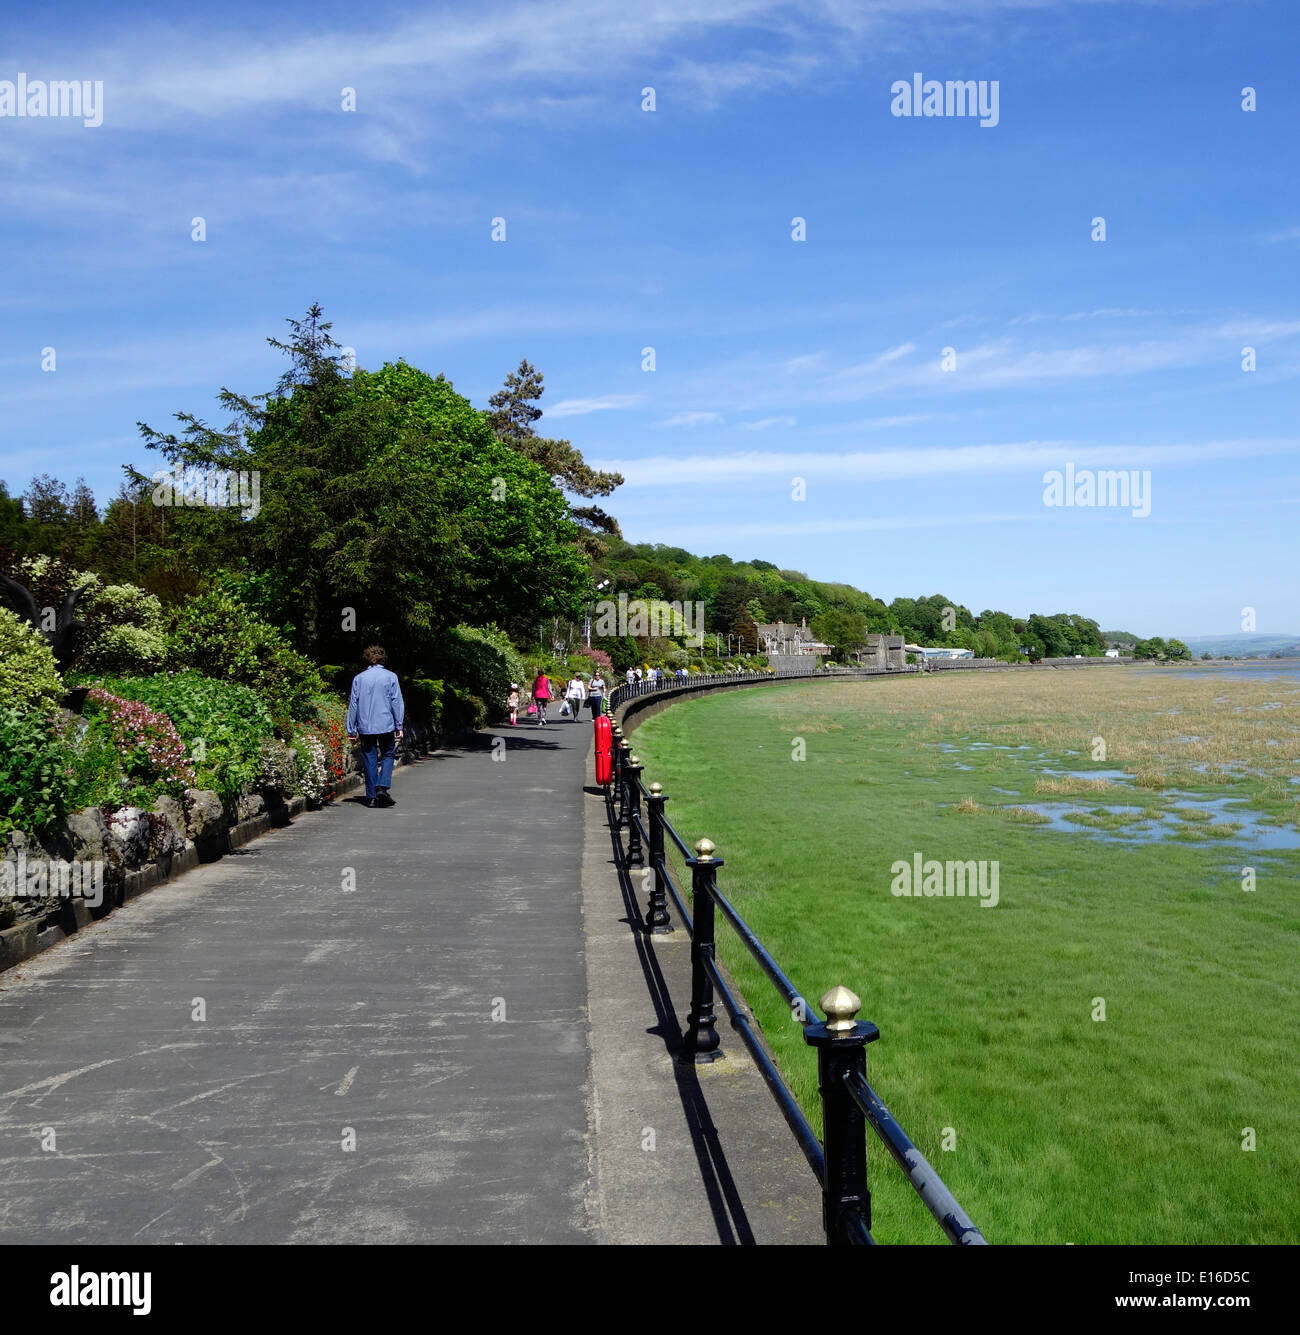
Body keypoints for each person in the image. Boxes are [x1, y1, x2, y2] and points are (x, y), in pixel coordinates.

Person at [345, 645, 404, 808]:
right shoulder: (391, 677)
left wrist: (351, 728)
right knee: (388, 754)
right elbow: (396, 701)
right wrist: (399, 724)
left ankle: (371, 796)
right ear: (383, 658)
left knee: (369, 758)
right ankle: (382, 787)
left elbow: (354, 704)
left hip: (365, 725)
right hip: (386, 723)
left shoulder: (359, 678)